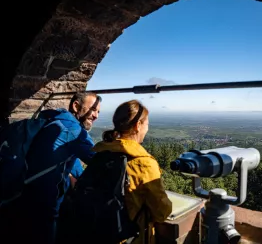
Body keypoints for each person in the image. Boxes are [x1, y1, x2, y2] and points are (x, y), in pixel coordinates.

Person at [0, 91, 101, 244]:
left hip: (20, 194)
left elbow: (67, 160)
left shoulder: (52, 119)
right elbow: (100, 161)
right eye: (93, 109)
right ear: (76, 106)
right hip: (43, 206)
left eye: (98, 111)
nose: (96, 116)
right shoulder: (75, 131)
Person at [92, 99, 172, 244]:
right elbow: (162, 212)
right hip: (128, 237)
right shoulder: (143, 163)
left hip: (96, 231)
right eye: (147, 124)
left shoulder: (102, 152)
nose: (147, 129)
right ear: (137, 125)